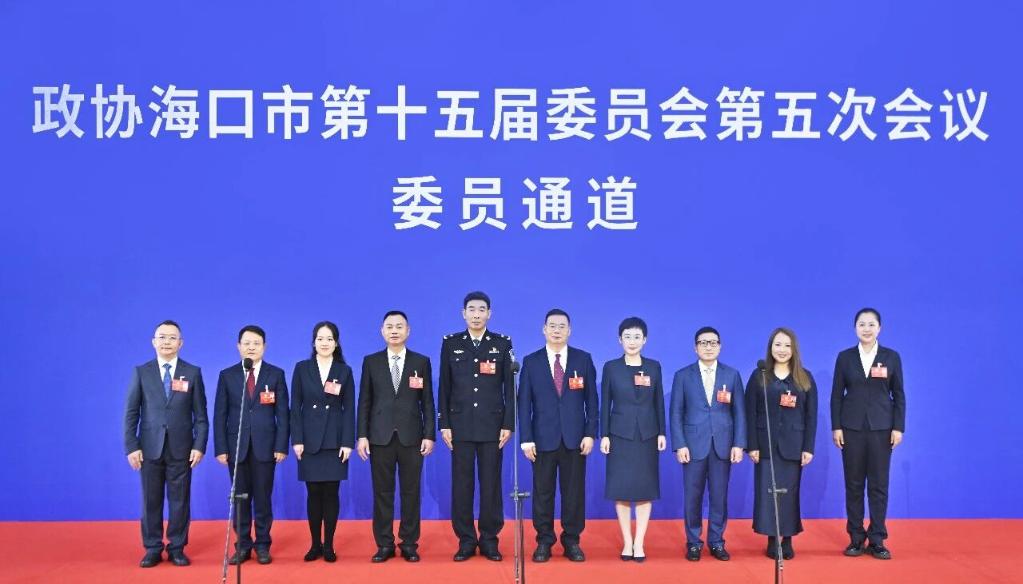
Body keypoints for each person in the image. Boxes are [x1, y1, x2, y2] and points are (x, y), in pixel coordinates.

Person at [123, 320, 209, 568]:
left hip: (182, 449)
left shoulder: (192, 372)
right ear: (154, 342)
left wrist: (199, 445)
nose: (167, 342)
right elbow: (131, 413)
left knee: (180, 501)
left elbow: (201, 416)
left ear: (181, 343)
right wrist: (132, 446)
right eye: (162, 337)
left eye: (172, 338)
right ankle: (152, 548)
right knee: (150, 501)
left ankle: (176, 548)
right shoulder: (142, 372)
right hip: (149, 448)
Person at [438, 291, 515, 561]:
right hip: (459, 426)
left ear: (489, 314)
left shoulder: (502, 344)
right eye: (471, 309)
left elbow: (510, 387)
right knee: (462, 485)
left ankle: (489, 539)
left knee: (491, 485)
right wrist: (444, 423)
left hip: (492, 426)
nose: (476, 314)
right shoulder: (451, 343)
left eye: (482, 310)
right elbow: (444, 386)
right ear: (463, 313)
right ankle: (466, 540)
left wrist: (508, 423)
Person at [518, 308, 598, 563]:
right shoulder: (531, 362)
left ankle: (572, 540)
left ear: (569, 330)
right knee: (543, 492)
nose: (557, 330)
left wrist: (590, 433)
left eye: (562, 326)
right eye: (552, 326)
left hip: (575, 439)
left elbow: (592, 401)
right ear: (544, 329)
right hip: (542, 439)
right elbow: (524, 404)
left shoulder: (583, 359)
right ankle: (544, 541)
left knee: (573, 493)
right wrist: (526, 439)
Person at [357, 310, 436, 563]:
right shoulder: (371, 362)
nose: (394, 331)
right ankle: (384, 544)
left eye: (399, 326)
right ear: (382, 331)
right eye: (389, 326)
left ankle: (409, 543)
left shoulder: (420, 362)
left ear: (408, 331)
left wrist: (429, 435)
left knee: (411, 493)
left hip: (412, 437)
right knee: (382, 493)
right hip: (379, 437)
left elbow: (428, 402)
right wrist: (362, 435)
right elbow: (364, 401)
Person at [831, 308, 906, 560]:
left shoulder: (891, 357)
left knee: (878, 485)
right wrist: (836, 427)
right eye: (861, 324)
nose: (866, 328)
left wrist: (898, 427)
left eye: (871, 324)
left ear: (879, 328)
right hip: (851, 429)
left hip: (881, 430)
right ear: (855, 328)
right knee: (853, 485)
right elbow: (836, 396)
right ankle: (855, 538)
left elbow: (899, 395)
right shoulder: (845, 357)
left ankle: (877, 539)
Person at [214, 325, 290, 565]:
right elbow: (220, 414)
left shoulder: (275, 374)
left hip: (266, 447)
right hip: (236, 447)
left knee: (263, 498)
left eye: (256, 343)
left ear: (264, 347)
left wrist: (281, 446)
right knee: (240, 498)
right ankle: (243, 545)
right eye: (246, 343)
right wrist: (221, 448)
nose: (251, 347)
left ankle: (263, 545)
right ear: (238, 346)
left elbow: (283, 414)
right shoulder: (227, 375)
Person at [669, 326, 746, 562]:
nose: (708, 347)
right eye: (703, 343)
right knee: (692, 496)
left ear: (720, 346)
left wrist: (738, 444)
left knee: (719, 497)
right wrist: (679, 444)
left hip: (723, 445)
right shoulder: (683, 375)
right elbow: (676, 412)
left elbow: (739, 412)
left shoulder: (732, 375)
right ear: (695, 348)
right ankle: (693, 542)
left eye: (713, 343)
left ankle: (716, 541)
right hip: (692, 446)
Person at [745, 327, 818, 560]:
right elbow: (749, 412)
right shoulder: (759, 375)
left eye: (787, 345)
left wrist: (808, 447)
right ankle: (772, 538)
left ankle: (787, 539)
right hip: (765, 445)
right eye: (778, 344)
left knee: (789, 493)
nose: (782, 350)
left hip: (793, 445)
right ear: (770, 348)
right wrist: (752, 445)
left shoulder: (805, 377)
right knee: (768, 493)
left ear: (794, 349)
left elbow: (811, 416)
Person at [599, 317, 666, 563]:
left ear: (645, 340)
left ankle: (640, 542)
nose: (632, 341)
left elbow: (659, 401)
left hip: (647, 435)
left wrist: (662, 432)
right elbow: (605, 403)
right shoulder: (611, 367)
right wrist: (604, 434)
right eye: (627, 337)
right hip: (620, 435)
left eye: (637, 337)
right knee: (622, 490)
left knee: (645, 490)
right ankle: (627, 541)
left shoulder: (654, 367)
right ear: (620, 340)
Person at [290, 321, 356, 562]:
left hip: (334, 441)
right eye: (320, 338)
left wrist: (347, 442)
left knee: (331, 493)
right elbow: (295, 407)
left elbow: (349, 409)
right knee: (313, 493)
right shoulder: (302, 368)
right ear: (314, 342)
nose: (324, 343)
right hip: (309, 442)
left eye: (329, 339)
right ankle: (314, 544)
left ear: (336, 343)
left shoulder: (344, 371)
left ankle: (329, 545)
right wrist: (297, 439)